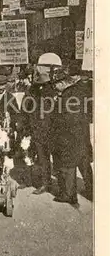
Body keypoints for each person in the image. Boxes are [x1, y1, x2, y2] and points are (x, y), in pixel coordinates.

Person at [50, 65, 93, 204]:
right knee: (83, 162)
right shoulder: (80, 91)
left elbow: (67, 117)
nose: (55, 87)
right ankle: (92, 191)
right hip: (81, 133)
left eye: (56, 84)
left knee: (67, 163)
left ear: (63, 82)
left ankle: (69, 195)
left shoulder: (68, 95)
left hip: (69, 135)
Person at [21, 53, 61, 194]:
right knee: (41, 158)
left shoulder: (53, 91)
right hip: (37, 129)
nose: (41, 85)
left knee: (55, 158)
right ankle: (44, 183)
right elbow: (27, 109)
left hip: (51, 129)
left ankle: (58, 184)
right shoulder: (33, 91)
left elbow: (56, 111)